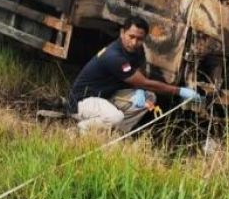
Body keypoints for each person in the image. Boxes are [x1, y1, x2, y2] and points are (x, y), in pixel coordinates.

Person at [67, 16, 202, 134]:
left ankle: (118, 133)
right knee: (116, 117)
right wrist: (178, 91)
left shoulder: (137, 49)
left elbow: (140, 71)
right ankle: (83, 128)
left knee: (148, 97)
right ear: (122, 33)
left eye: (139, 39)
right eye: (131, 37)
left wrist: (140, 91)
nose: (134, 42)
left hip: (106, 96)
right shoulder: (114, 56)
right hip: (82, 102)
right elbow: (144, 82)